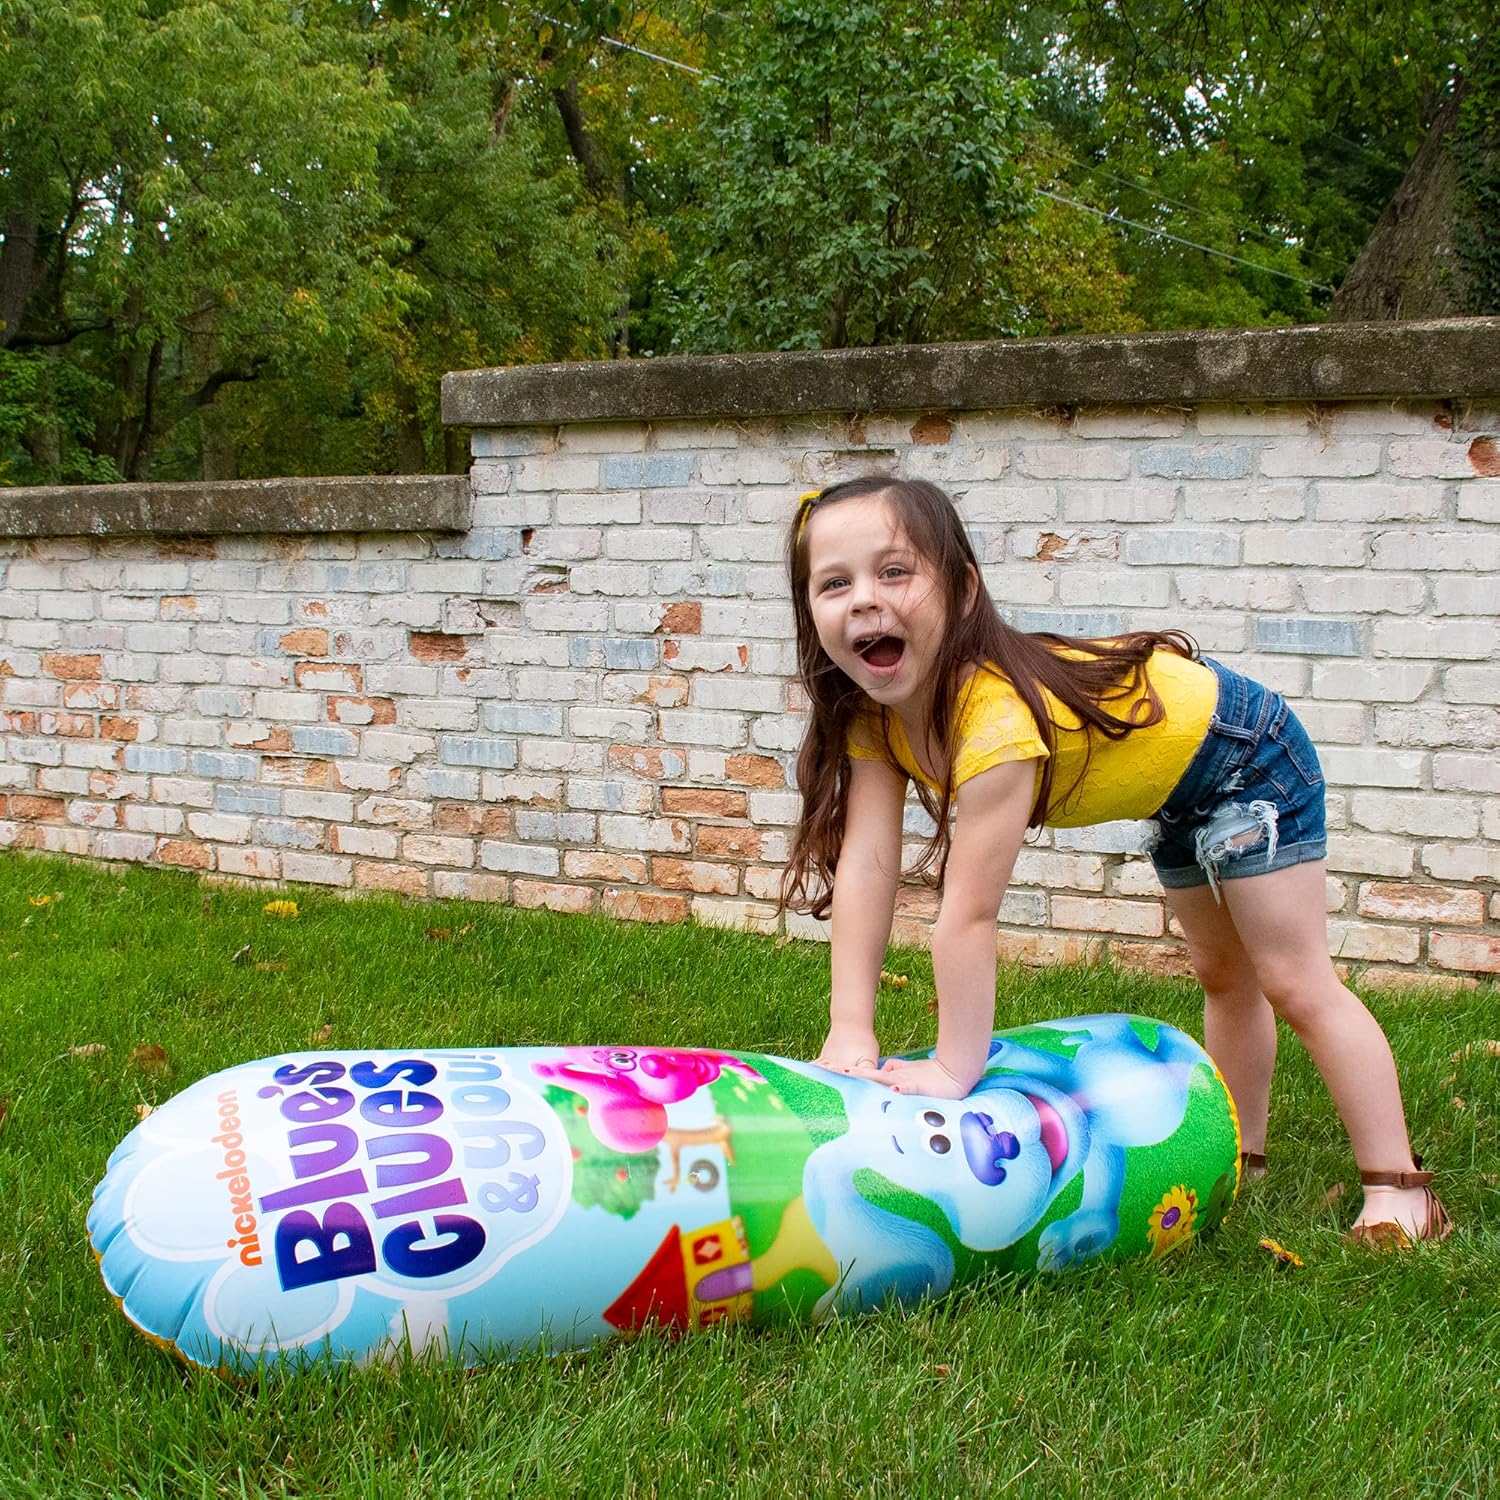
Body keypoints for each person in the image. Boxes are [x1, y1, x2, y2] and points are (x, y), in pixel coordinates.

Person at [779, 475, 1450, 1246]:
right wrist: (850, 1029)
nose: (865, 599)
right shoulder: (873, 718)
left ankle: (1401, 1190)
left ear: (962, 590)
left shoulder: (992, 715)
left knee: (1293, 979)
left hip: (1245, 755)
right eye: (835, 583)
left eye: (894, 571)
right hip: (1179, 785)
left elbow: (970, 912)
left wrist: (955, 1069)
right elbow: (867, 866)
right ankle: (1242, 1158)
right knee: (1225, 976)